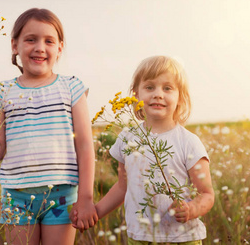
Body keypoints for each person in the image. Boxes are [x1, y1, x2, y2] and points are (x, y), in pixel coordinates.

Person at [0, 8, 97, 244]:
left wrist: (86, 198)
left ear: (59, 48)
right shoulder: (1, 92)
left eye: (49, 41)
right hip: (16, 198)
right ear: (15, 45)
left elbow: (84, 145)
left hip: (61, 196)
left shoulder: (72, 88)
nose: (40, 47)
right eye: (31, 39)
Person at [72, 55, 215, 244]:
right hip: (139, 237)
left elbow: (206, 194)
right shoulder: (126, 138)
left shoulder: (189, 142)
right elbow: (123, 187)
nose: (158, 94)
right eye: (149, 87)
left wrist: (192, 209)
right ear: (136, 95)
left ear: (180, 97)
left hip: (182, 237)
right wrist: (95, 212)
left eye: (167, 88)